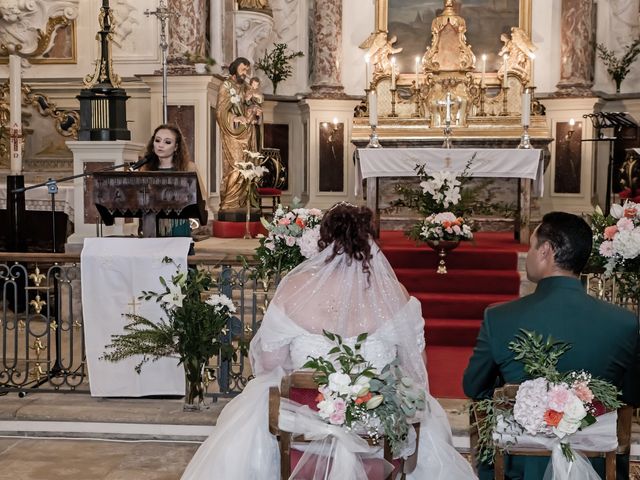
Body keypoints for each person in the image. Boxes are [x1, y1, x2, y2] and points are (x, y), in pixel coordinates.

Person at [181, 203, 477, 479]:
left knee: (259, 403)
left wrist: (313, 378)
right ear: (373, 242)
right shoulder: (395, 295)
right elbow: (415, 370)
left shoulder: (295, 289)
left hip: (306, 425)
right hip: (376, 428)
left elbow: (268, 363)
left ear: (322, 242)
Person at [463, 211, 640, 480]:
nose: (529, 254)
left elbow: (474, 387)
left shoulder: (499, 317)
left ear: (545, 250)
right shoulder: (625, 322)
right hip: (601, 466)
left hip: (519, 467)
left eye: (531, 246)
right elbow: (633, 395)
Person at [216, 57, 260, 213]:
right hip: (233, 133)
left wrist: (255, 111)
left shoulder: (247, 86)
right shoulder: (225, 86)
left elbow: (253, 103)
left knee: (248, 166)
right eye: (243, 69)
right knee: (236, 166)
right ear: (234, 68)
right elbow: (220, 111)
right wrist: (235, 118)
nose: (245, 73)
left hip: (248, 132)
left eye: (247, 70)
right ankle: (229, 203)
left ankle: (245, 203)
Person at [139, 124, 197, 237]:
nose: (160, 145)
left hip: (178, 223)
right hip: (152, 223)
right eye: (157, 140)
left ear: (176, 147)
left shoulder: (188, 168)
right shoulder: (145, 168)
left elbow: (198, 198)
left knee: (176, 254)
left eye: (167, 142)